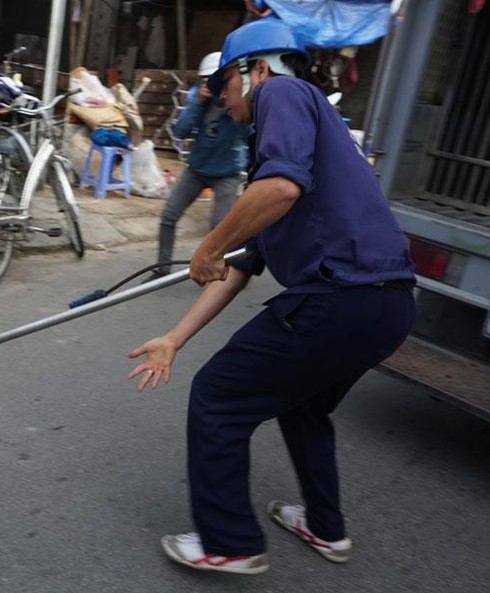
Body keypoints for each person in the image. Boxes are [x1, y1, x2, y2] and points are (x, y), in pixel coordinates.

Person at [127, 19, 416, 575]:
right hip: (387, 306)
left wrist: (208, 244)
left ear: (255, 69)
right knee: (302, 404)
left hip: (339, 296)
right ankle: (325, 528)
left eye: (225, 85)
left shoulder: (282, 92)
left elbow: (277, 190)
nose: (223, 98)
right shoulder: (310, 139)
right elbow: (235, 272)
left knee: (217, 397)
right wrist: (173, 338)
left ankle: (230, 543)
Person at [147, 51, 249, 282]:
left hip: (227, 172)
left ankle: (225, 273)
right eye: (205, 81)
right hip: (198, 168)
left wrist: (232, 107)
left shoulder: (237, 99)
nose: (209, 86)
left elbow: (247, 134)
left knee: (220, 229)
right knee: (168, 215)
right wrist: (198, 104)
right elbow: (180, 132)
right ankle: (161, 269)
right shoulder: (197, 97)